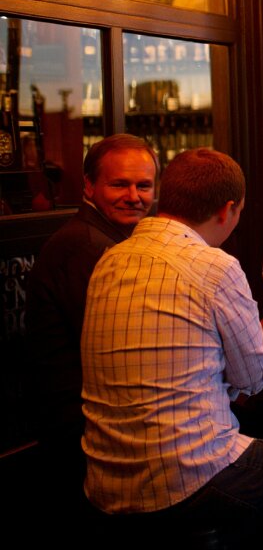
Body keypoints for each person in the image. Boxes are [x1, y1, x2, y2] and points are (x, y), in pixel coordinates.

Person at [80, 148, 263, 547]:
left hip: (106, 480)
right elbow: (252, 380)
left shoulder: (110, 261)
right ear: (228, 210)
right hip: (188, 475)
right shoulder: (214, 266)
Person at [25, 133, 159, 527]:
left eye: (144, 185)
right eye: (119, 184)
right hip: (84, 434)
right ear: (88, 185)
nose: (133, 196)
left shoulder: (116, 241)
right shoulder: (85, 247)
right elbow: (124, 348)